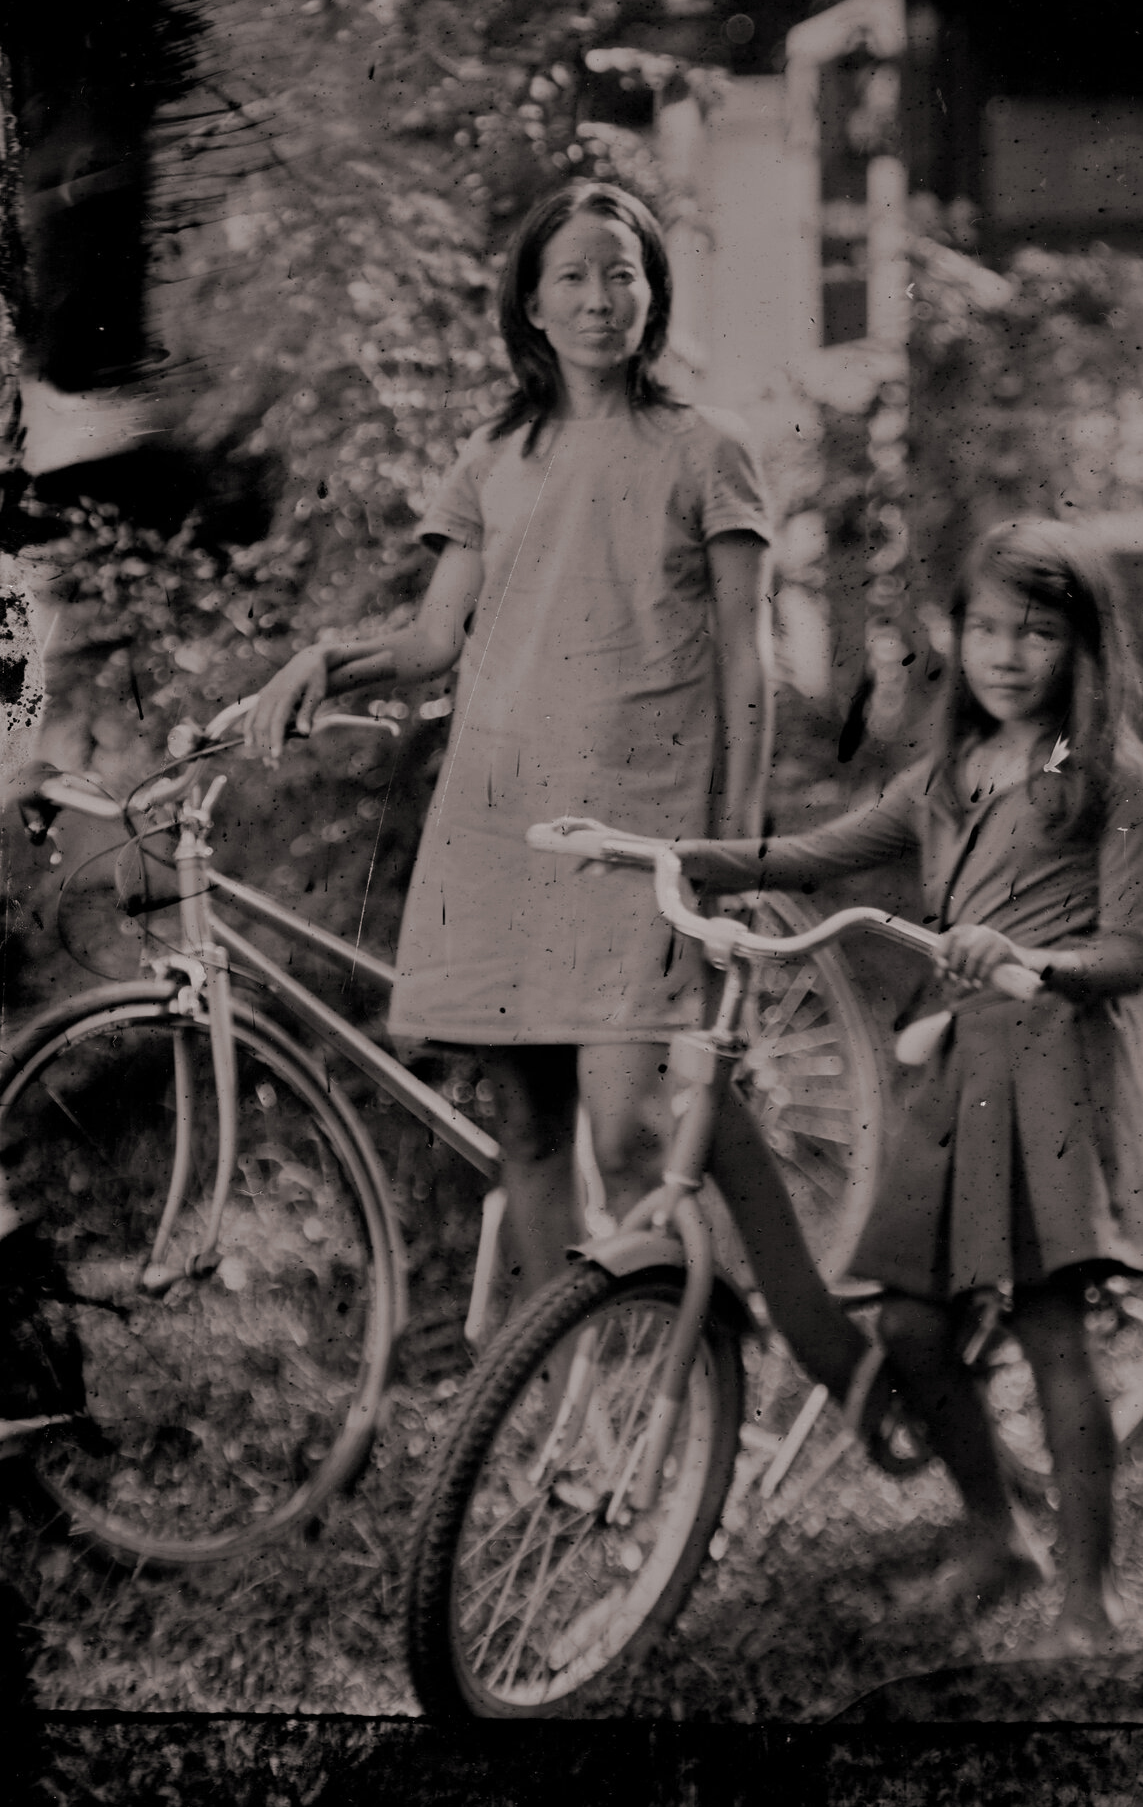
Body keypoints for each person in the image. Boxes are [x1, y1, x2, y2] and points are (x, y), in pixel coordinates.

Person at [239, 181, 866, 1417]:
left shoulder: (706, 448)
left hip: (640, 840)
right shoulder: (494, 456)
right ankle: (554, 1411)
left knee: (632, 1137)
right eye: (573, 277)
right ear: (530, 301)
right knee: (528, 1137)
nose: (599, 298)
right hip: (502, 828)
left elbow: (749, 660)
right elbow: (432, 641)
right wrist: (326, 659)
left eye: (621, 274)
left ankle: (698, 1394)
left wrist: (730, 851)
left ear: (652, 292)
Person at [673, 519, 1143, 1647]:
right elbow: (818, 850)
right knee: (907, 1322)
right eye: (987, 629)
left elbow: (1132, 949)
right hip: (955, 1070)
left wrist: (1036, 960)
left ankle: (1092, 1599)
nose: (1005, 655)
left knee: (1052, 1330)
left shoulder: (1102, 775)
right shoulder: (949, 772)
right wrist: (672, 854)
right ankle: (997, 1531)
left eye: (1036, 632)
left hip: (1050, 1063)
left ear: (1083, 645)